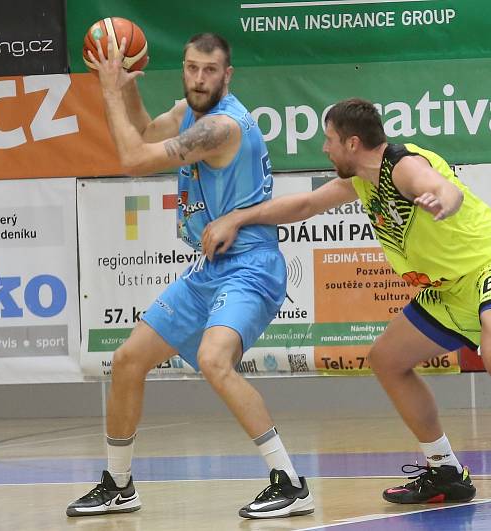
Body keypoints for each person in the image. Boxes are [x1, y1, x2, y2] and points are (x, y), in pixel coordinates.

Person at [201, 98, 491, 515]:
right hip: (449, 289)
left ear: (352, 143)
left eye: (329, 139)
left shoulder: (402, 165)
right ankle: (444, 471)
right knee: (387, 360)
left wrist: (444, 198)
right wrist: (238, 218)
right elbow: (307, 204)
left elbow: (437, 185)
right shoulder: (361, 180)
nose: (324, 148)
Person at [66, 33, 314, 520]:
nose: (199, 78)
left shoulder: (221, 127)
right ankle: (119, 483)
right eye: (191, 68)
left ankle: (289, 481)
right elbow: (142, 130)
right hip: (211, 268)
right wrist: (130, 87)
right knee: (127, 359)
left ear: (228, 75)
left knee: (213, 359)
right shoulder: (188, 113)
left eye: (209, 70)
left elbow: (134, 160)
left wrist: (110, 90)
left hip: (251, 266)